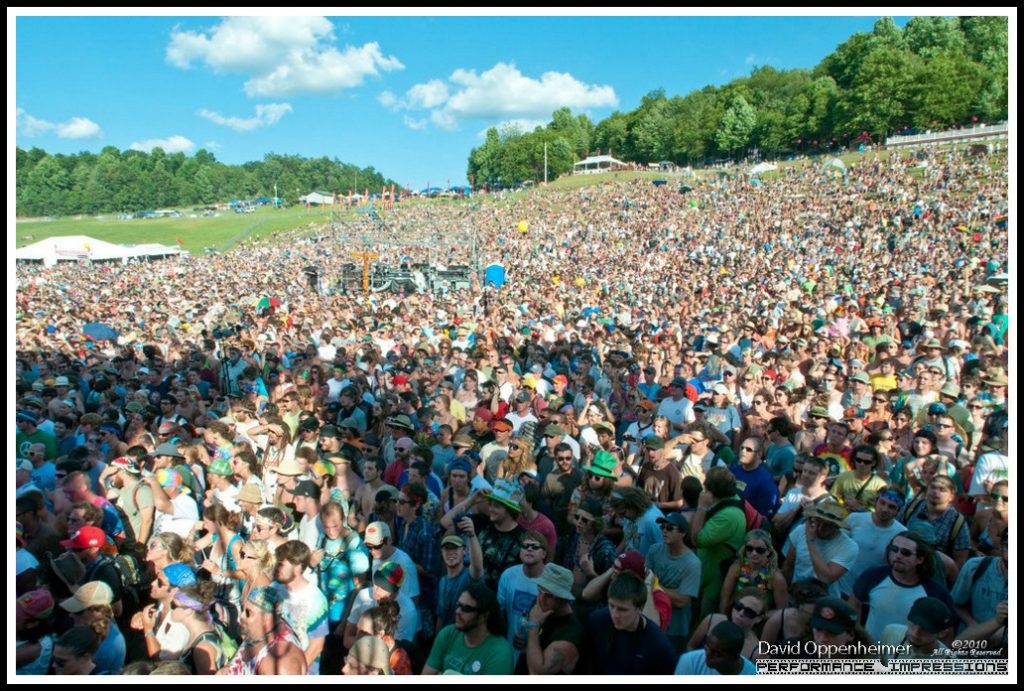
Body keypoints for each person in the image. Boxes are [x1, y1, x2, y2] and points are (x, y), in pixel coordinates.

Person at [852, 531, 955, 642]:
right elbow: (854, 602)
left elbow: (947, 630)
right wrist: (857, 637)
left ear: (920, 559)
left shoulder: (935, 592)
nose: (897, 556)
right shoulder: (873, 576)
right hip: (869, 652)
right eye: (894, 549)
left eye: (905, 553)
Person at [580, 571, 677, 675]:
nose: (615, 615)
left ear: (640, 608)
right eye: (611, 606)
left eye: (622, 610)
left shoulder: (659, 646)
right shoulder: (597, 622)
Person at [423, 582, 514, 675]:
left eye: (466, 608)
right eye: (458, 605)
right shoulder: (447, 634)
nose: (458, 611)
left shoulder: (500, 653)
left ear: (484, 616)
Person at [691, 467, 747, 617]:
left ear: (713, 491)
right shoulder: (730, 499)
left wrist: (701, 506)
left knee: (706, 620)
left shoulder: (728, 516)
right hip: (705, 576)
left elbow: (697, 540)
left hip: (714, 583)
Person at [218, 587, 307, 675]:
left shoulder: (282, 661)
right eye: (243, 610)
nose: (241, 616)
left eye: (248, 613)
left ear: (267, 619)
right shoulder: (258, 632)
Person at [783, 499, 859, 599]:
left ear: (837, 527)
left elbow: (826, 578)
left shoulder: (849, 547)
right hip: (796, 594)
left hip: (824, 601)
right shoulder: (801, 530)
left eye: (828, 525)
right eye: (819, 521)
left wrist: (810, 541)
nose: (820, 528)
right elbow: (789, 564)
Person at [647, 512, 701, 652]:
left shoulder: (693, 563)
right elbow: (644, 579)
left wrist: (654, 584)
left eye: (670, 528)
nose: (664, 530)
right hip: (651, 620)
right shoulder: (654, 550)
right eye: (663, 527)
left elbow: (682, 600)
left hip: (675, 629)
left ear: (683, 533)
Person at [273, 540, 329, 673]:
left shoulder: (316, 599)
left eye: (281, 564)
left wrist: (295, 673)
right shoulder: (274, 588)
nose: (276, 568)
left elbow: (316, 647)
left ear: (297, 567)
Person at [516, 563, 582, 674]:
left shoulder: (571, 635)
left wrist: (533, 627)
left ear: (563, 598)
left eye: (549, 595)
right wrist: (522, 641)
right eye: (539, 590)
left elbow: (536, 674)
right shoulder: (540, 606)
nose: (540, 598)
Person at [720, 529, 788, 612]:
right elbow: (724, 599)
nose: (754, 553)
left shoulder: (776, 578)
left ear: (768, 551)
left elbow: (782, 612)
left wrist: (756, 616)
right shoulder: (737, 567)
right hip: (737, 615)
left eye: (760, 550)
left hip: (761, 621)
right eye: (749, 548)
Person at [878, 597, 956, 662]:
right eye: (914, 623)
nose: (915, 633)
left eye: (926, 629)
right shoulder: (891, 633)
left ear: (942, 633)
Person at [436, 530, 484, 633]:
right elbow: (440, 617)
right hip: (447, 640)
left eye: (455, 548)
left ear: (464, 550)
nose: (450, 552)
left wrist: (472, 535)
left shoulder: (469, 576)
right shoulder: (442, 581)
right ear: (442, 552)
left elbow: (478, 568)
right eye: (446, 549)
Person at [676, 620, 758, 675]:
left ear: (734, 657)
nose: (708, 654)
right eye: (707, 646)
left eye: (717, 653)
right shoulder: (690, 661)